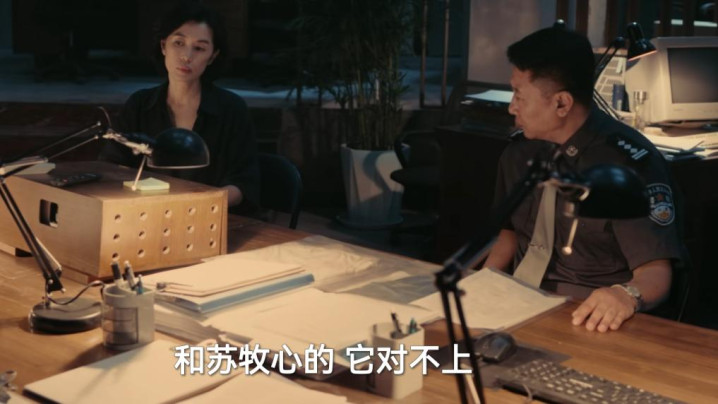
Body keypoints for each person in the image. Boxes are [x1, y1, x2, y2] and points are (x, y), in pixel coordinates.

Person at [483, 27, 682, 332]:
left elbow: (656, 272)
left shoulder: (626, 165)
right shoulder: (519, 152)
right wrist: (481, 286)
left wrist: (625, 295)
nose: (512, 107)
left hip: (588, 314)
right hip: (517, 302)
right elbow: (508, 235)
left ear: (562, 103)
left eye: (519, 96)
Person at [100, 1, 260, 214]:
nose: (186, 56)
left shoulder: (231, 109)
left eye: (199, 48)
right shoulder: (139, 104)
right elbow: (112, 166)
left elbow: (244, 183)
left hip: (208, 216)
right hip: (146, 215)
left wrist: (196, 206)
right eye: (178, 43)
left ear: (212, 56)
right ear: (163, 46)